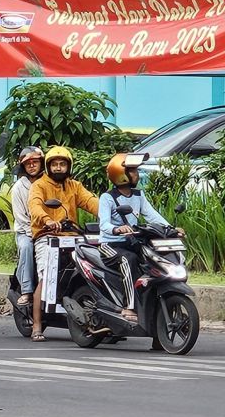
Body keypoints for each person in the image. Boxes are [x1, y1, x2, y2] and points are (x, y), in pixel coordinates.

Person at [99, 152, 182, 322]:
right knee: (128, 260)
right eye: (132, 171)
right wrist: (117, 229)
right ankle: (129, 307)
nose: (136, 174)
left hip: (133, 242)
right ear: (120, 173)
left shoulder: (138, 195)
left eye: (136, 170)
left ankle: (155, 311)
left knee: (155, 263)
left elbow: (152, 215)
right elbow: (104, 224)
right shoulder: (108, 197)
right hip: (110, 245)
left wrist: (171, 229)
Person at [28, 146, 99, 341]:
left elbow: (91, 202)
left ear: (69, 166)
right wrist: (47, 220)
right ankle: (36, 326)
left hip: (74, 237)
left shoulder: (74, 186)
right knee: (46, 277)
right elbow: (34, 205)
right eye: (55, 164)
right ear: (48, 166)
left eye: (62, 164)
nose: (59, 168)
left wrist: (110, 215)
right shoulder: (39, 185)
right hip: (47, 237)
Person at [10, 146, 44, 308]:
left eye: (35, 162)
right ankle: (26, 290)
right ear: (23, 166)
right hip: (27, 232)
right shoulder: (18, 188)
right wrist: (35, 233)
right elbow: (21, 218)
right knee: (26, 248)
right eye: (28, 163)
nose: (32, 165)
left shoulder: (48, 184)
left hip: (50, 231)